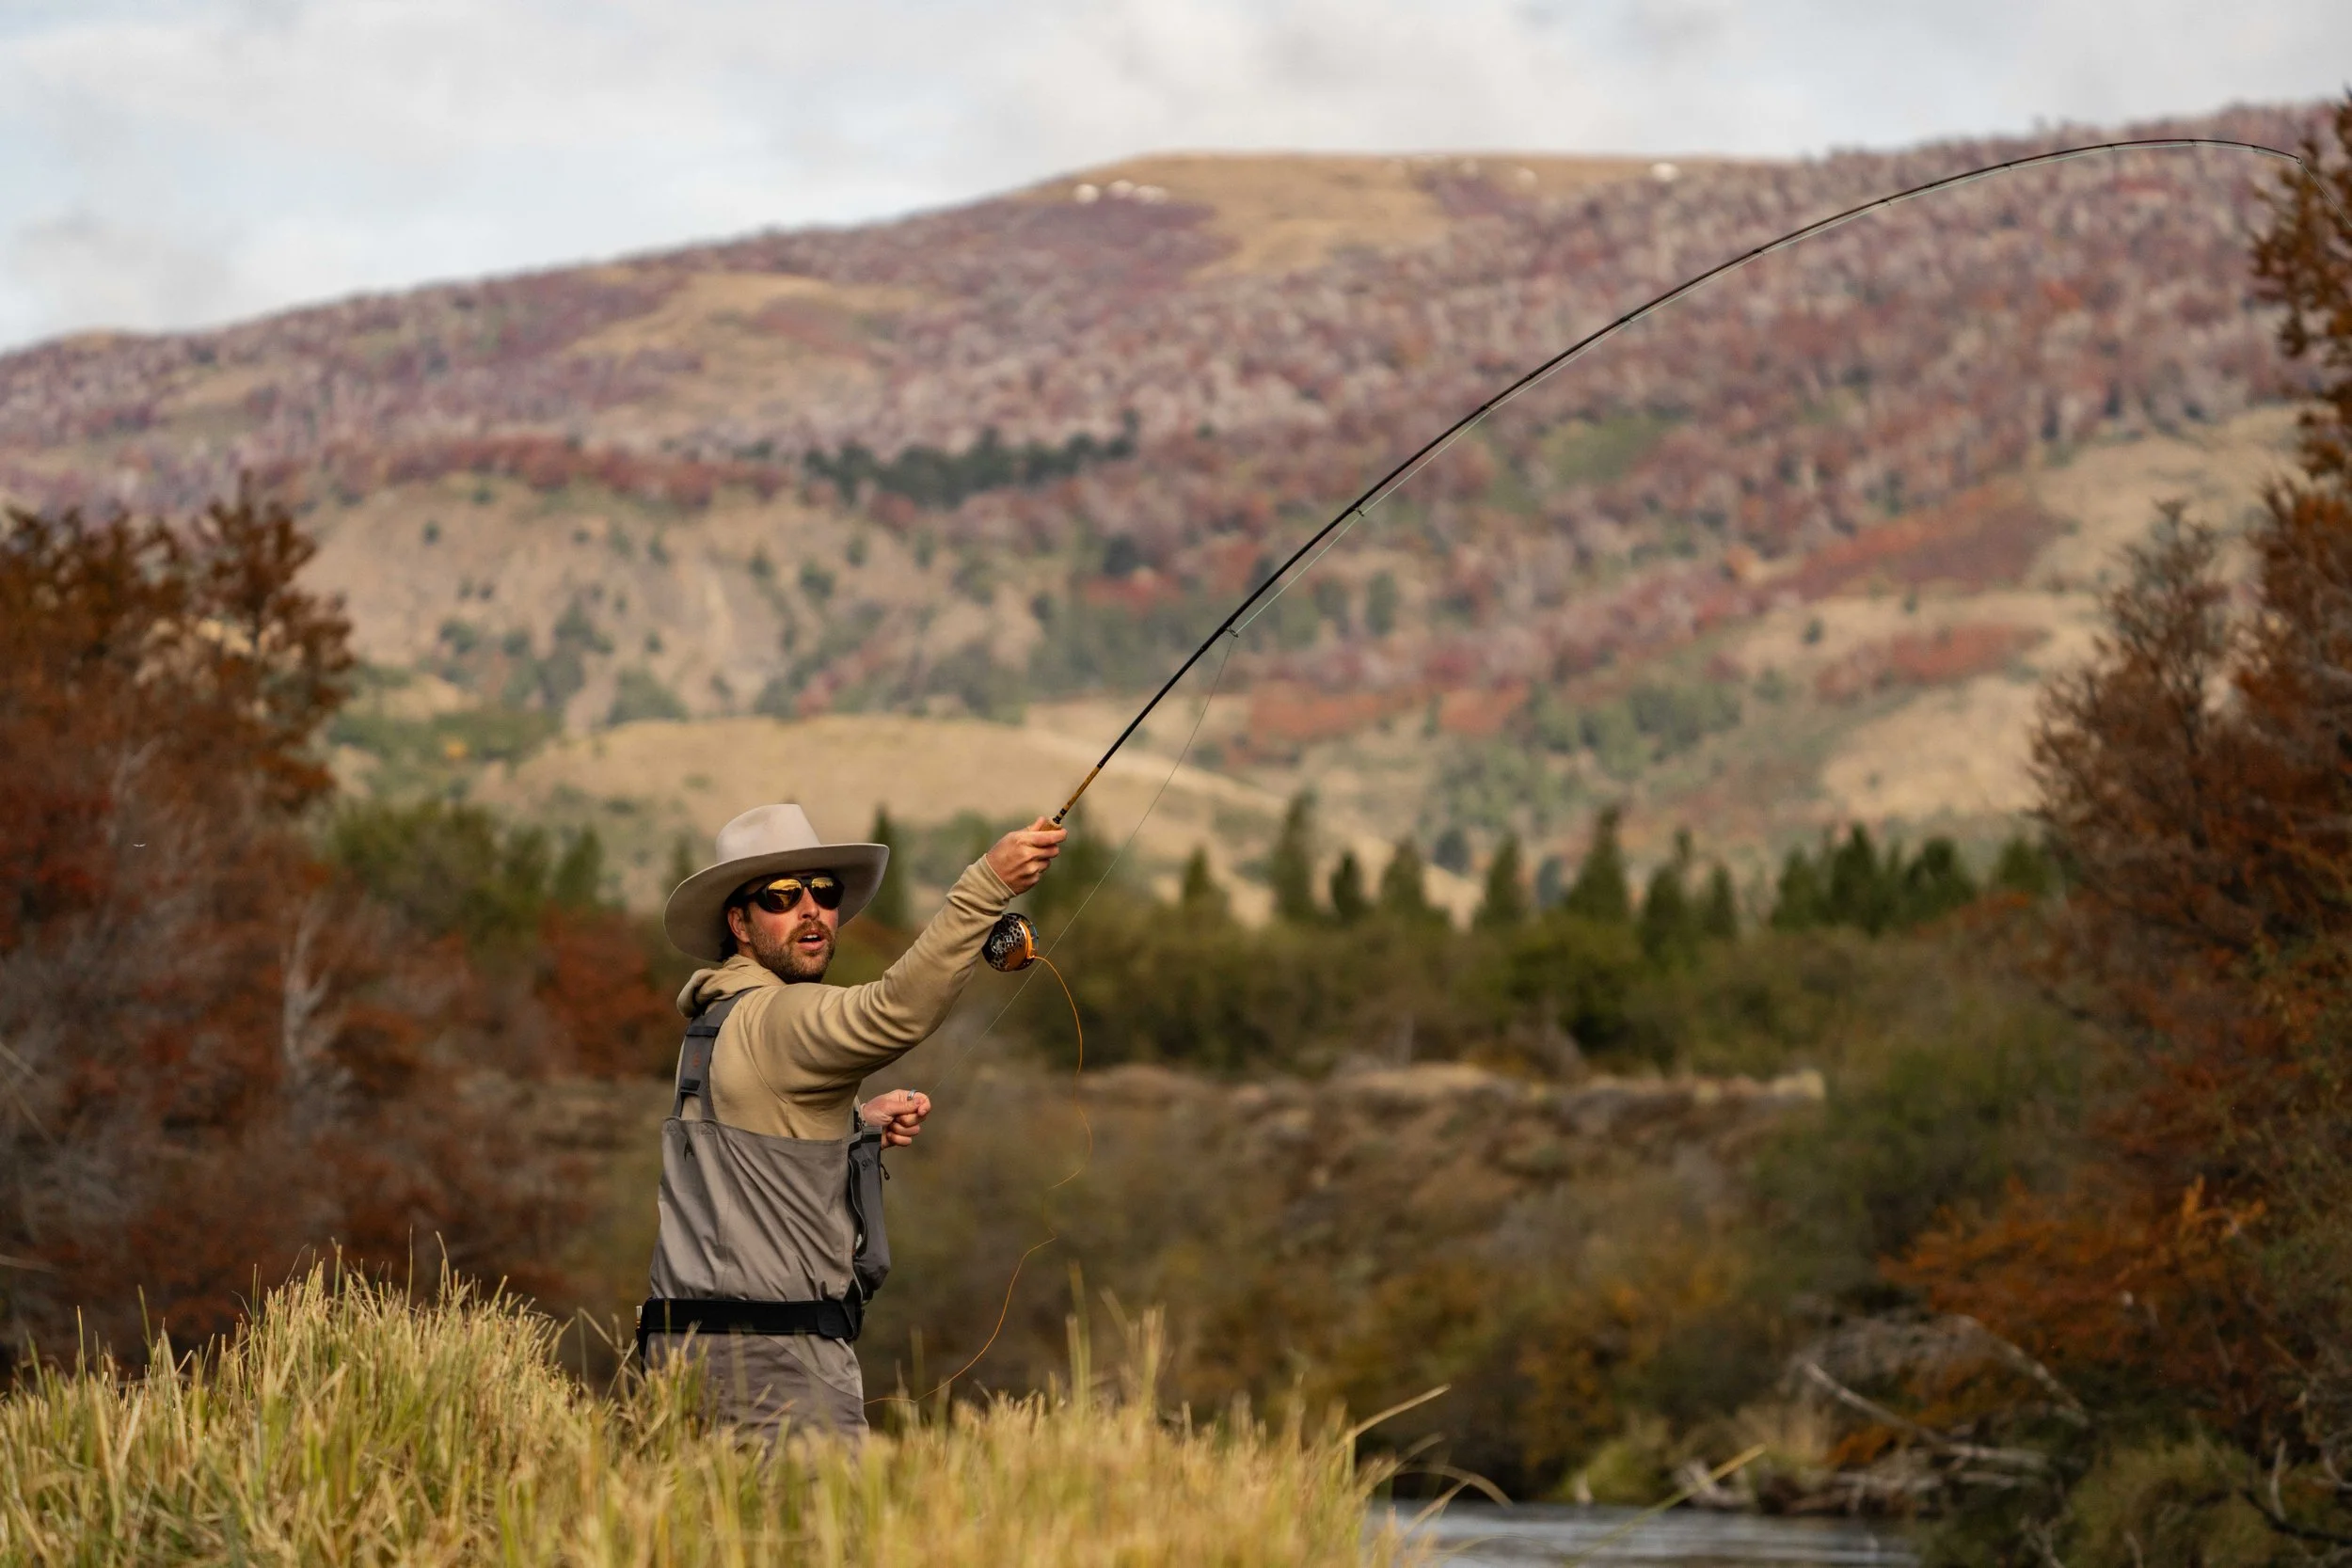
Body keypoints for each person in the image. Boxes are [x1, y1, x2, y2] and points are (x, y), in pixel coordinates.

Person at [639, 801, 1064, 1442]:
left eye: (823, 891)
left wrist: (854, 1127)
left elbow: (746, 1166)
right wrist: (988, 884)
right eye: (781, 895)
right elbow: (895, 1010)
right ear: (740, 922)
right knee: (821, 1544)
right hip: (776, 1376)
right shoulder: (776, 1019)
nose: (809, 908)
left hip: (679, 1366)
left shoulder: (711, 1024)